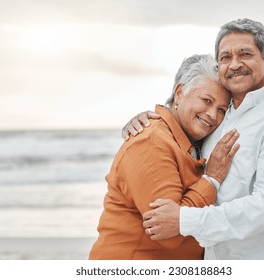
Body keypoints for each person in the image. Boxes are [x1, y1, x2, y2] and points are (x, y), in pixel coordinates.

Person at [123, 18, 264, 259]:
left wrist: (184, 219)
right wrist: (149, 120)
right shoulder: (223, 113)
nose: (235, 64)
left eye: (245, 54)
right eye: (225, 57)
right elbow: (183, 128)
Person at [89, 54, 240, 260]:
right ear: (179, 93)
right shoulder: (150, 142)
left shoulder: (191, 138)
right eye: (206, 101)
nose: (213, 115)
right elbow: (169, 233)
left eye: (221, 109)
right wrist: (211, 181)